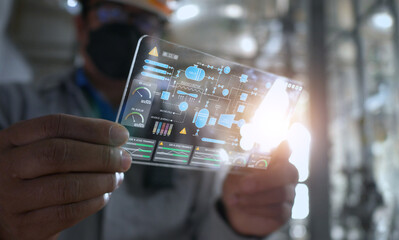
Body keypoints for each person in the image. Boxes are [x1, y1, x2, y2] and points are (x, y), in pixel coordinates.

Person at [0, 0, 299, 239]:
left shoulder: (196, 135)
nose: (127, 29)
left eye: (143, 20)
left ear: (159, 39)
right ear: (81, 26)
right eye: (111, 12)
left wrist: (236, 222)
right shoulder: (12, 107)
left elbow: (206, 229)